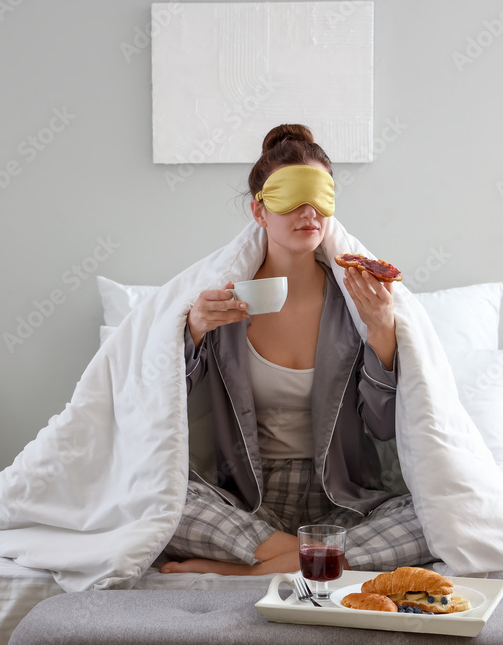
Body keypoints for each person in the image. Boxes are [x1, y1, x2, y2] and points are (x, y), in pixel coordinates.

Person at [159, 124, 433, 576]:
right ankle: (312, 558)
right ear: (259, 211)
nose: (308, 212)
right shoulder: (225, 304)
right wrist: (192, 329)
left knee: (437, 517)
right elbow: (163, 407)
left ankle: (252, 569)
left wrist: (382, 330)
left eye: (319, 196)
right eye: (290, 197)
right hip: (249, 502)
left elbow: (386, 427)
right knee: (154, 496)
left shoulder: (355, 304)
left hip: (344, 502)